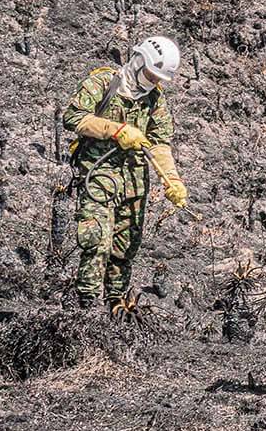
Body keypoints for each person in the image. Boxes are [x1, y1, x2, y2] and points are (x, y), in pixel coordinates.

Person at [61, 35, 189, 311]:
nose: (154, 82)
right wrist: (115, 131)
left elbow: (160, 144)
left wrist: (173, 179)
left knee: (126, 246)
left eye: (159, 78)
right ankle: (86, 306)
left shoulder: (155, 99)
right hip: (99, 175)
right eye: (151, 74)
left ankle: (116, 306)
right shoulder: (103, 82)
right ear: (139, 61)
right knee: (96, 242)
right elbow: (73, 117)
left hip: (134, 181)